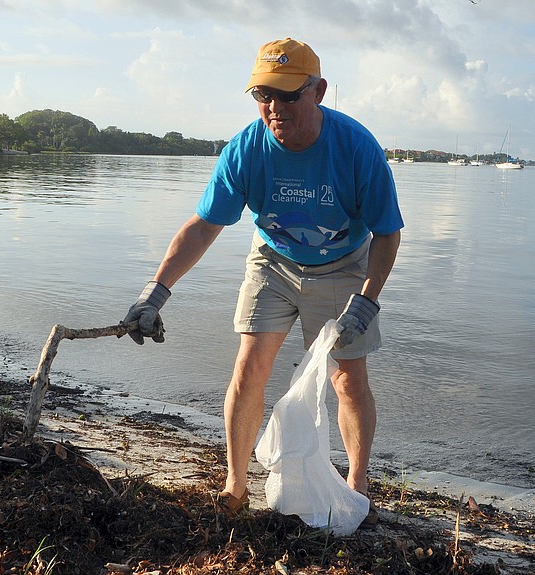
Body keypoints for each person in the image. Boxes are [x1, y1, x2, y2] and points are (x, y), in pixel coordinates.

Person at [121, 38, 404, 528]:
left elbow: (387, 233)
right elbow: (205, 225)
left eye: (289, 95)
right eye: (262, 94)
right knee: (249, 368)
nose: (274, 108)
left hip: (342, 266)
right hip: (272, 260)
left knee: (347, 380)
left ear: (318, 91)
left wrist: (366, 301)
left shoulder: (357, 148)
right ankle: (235, 484)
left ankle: (357, 487)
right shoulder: (247, 149)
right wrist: (156, 291)